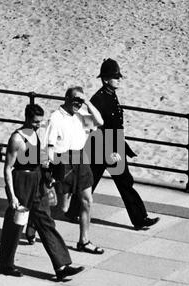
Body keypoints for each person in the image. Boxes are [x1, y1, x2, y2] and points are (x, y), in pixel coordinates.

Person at [66, 59, 160, 230]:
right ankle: (140, 219)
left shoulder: (109, 94)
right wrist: (113, 151)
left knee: (96, 181)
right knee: (119, 182)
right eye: (115, 77)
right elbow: (95, 126)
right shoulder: (99, 98)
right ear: (105, 79)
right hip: (104, 147)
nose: (119, 79)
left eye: (118, 77)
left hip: (109, 145)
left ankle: (73, 212)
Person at [0, 103, 84, 281]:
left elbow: (40, 159)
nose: (39, 125)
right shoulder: (16, 139)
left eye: (40, 121)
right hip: (22, 181)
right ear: (27, 118)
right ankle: (6, 264)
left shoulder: (36, 134)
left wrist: (48, 174)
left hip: (37, 181)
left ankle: (61, 266)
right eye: (36, 122)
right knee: (15, 225)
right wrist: (12, 196)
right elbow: (8, 169)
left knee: (46, 221)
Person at [46, 86, 105, 254]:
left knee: (87, 200)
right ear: (66, 98)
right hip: (62, 160)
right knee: (61, 208)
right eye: (75, 100)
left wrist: (87, 102)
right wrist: (50, 167)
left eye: (80, 101)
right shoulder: (56, 118)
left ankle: (84, 241)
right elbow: (49, 145)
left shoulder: (81, 116)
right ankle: (35, 225)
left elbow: (100, 122)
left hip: (81, 159)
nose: (78, 104)